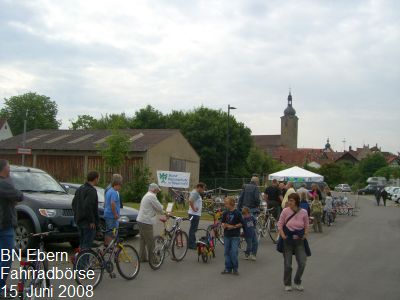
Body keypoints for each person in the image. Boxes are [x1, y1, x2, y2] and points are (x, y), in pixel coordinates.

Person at [0, 159, 23, 295]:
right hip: (4, 226)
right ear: (4, 168)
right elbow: (19, 195)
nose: (10, 169)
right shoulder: (4, 184)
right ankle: (1, 287)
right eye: (9, 167)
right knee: (6, 258)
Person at [278, 193, 309, 292]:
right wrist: (282, 235)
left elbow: (307, 225)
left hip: (299, 241)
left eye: (291, 200)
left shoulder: (303, 212)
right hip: (288, 240)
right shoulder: (285, 211)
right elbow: (280, 224)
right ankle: (287, 283)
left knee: (302, 263)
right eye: (289, 200)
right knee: (288, 264)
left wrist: (305, 234)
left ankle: (297, 281)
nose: (289, 202)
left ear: (296, 201)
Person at [72, 171, 100, 250]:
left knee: (82, 243)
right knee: (86, 246)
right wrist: (92, 220)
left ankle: (79, 260)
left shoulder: (80, 188)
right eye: (98, 178)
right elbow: (88, 206)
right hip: (88, 223)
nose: (98, 180)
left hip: (79, 221)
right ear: (95, 179)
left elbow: (73, 204)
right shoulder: (91, 191)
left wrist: (77, 215)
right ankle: (83, 262)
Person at [136, 183, 164, 262]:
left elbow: (155, 208)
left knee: (143, 240)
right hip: (146, 221)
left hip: (141, 220)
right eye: (157, 190)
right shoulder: (152, 196)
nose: (157, 192)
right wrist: (164, 212)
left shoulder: (147, 195)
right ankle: (153, 259)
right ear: (154, 189)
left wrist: (162, 212)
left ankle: (142, 257)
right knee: (150, 241)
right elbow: (159, 207)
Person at [221, 197, 243, 275]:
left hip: (235, 236)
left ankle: (235, 268)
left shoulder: (237, 213)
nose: (225, 205)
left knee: (233, 252)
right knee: (226, 252)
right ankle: (228, 268)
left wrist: (233, 226)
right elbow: (223, 222)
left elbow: (241, 223)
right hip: (227, 235)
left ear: (231, 204)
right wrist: (224, 225)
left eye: (226, 203)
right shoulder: (225, 213)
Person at [103, 175, 123, 245]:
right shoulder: (114, 192)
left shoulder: (109, 190)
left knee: (108, 231)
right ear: (117, 185)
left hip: (107, 214)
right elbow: (112, 203)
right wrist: (115, 214)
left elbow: (106, 203)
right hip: (112, 216)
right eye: (120, 186)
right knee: (112, 232)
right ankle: (112, 247)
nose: (120, 188)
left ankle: (106, 246)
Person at [188, 182, 206, 249]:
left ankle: (192, 242)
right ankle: (191, 244)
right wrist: (194, 209)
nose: (203, 190)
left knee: (193, 229)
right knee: (193, 229)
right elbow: (190, 201)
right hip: (194, 214)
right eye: (203, 189)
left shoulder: (196, 193)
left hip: (194, 214)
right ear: (199, 187)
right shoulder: (195, 193)